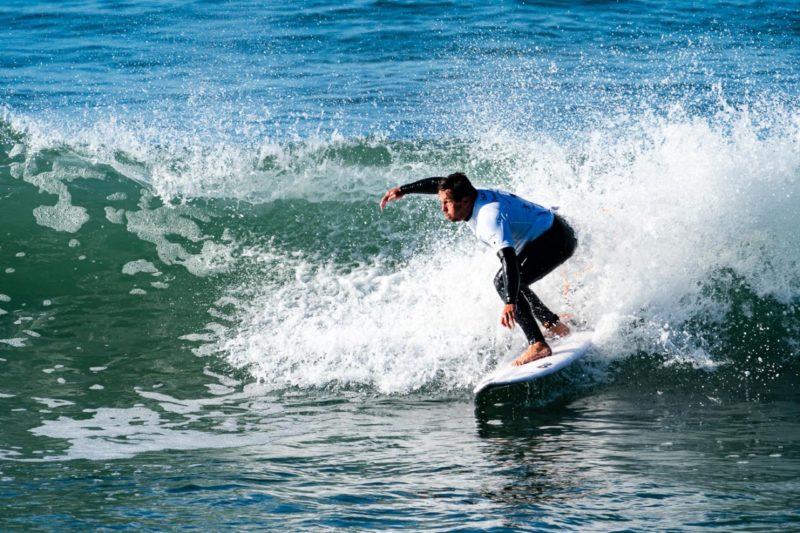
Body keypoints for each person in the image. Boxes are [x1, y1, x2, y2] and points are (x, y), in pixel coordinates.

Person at [380, 172, 577, 366]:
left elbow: (508, 258)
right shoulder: (468, 194)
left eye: (446, 203)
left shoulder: (487, 218)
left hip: (556, 241)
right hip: (551, 229)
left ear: (465, 201)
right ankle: (554, 325)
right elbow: (438, 184)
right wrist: (403, 190)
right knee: (511, 282)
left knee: (505, 282)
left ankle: (538, 344)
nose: (443, 208)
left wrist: (510, 302)